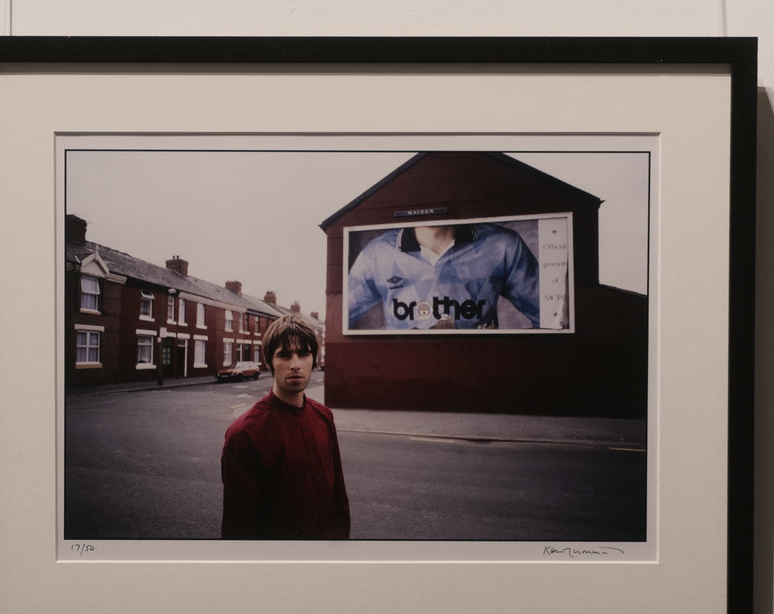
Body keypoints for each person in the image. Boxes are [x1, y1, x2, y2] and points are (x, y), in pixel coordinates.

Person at [220, 315, 350, 539]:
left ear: (314, 359)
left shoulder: (324, 416)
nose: (295, 364)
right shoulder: (244, 435)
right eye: (284, 355)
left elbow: (338, 493)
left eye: (303, 354)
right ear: (269, 362)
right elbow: (238, 529)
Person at [347, 221, 540, 330]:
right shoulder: (377, 252)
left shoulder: (503, 244)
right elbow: (338, 322)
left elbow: (549, 317)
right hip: (404, 378)